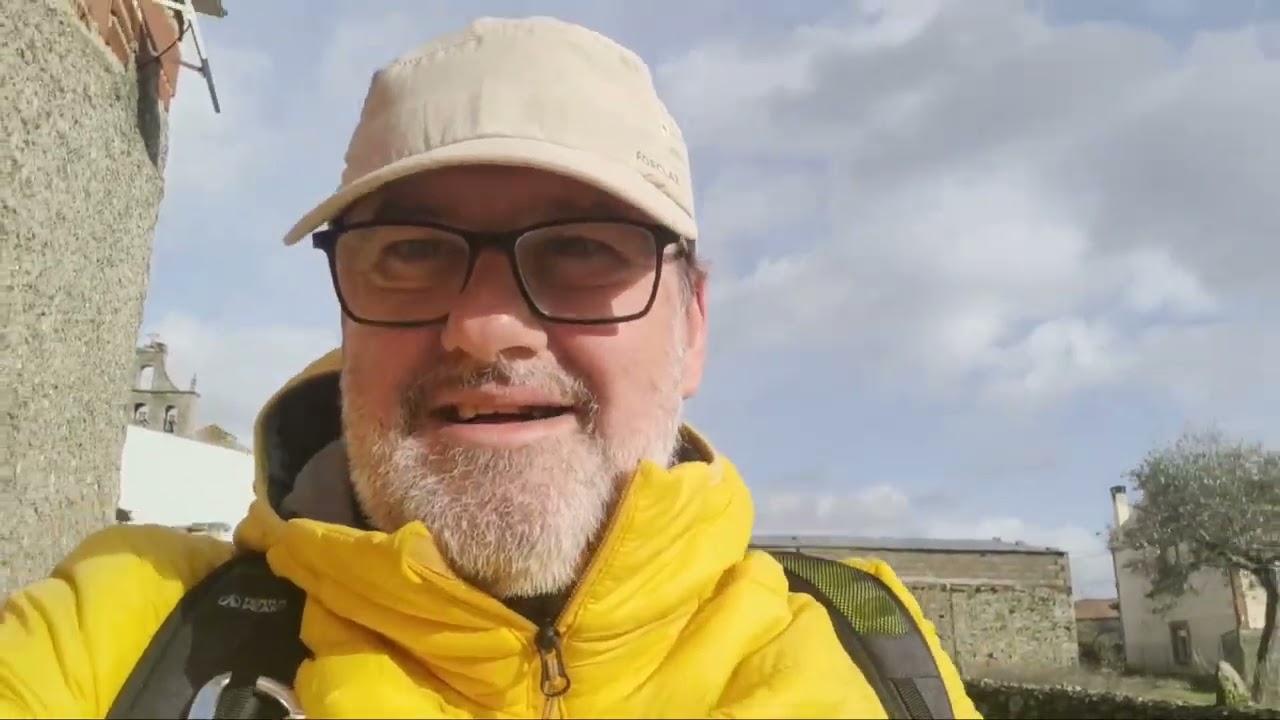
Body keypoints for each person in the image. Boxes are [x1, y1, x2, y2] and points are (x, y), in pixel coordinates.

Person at [0, 16, 981, 719]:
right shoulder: (126, 635)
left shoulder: (874, 655)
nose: (483, 326)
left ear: (691, 328)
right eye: (412, 251)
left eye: (583, 248)